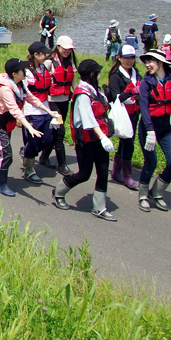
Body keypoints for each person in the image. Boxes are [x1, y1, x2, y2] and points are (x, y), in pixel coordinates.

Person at [51, 59, 118, 221]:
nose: (101, 75)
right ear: (93, 74)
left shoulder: (96, 91)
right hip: (87, 141)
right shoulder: (82, 94)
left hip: (100, 138)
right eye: (99, 72)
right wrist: (103, 137)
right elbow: (88, 120)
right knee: (84, 174)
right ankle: (58, 192)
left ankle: (99, 208)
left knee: (102, 173)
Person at [0, 58, 45, 197]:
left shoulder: (20, 85)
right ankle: (1, 185)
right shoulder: (5, 89)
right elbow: (15, 110)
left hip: (6, 122)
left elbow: (32, 99)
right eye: (23, 70)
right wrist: (30, 127)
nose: (25, 71)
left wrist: (50, 112)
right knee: (6, 153)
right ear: (15, 73)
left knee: (1, 146)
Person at [137, 49, 171, 213]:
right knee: (151, 162)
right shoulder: (146, 83)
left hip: (166, 127)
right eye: (146, 62)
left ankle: (156, 193)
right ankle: (143, 196)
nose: (147, 65)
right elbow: (144, 108)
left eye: (150, 61)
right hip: (148, 126)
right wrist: (150, 130)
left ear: (160, 63)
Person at [18, 42, 58, 183]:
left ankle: (27, 151)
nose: (46, 56)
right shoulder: (27, 72)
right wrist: (20, 115)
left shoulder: (44, 68)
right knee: (33, 140)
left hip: (44, 109)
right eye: (43, 54)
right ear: (36, 55)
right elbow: (23, 94)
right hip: (31, 111)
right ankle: (29, 169)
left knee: (48, 139)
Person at [106, 44, 142, 190]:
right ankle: (127, 175)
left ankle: (116, 171)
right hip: (123, 113)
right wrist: (131, 93)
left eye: (132, 58)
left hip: (134, 112)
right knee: (128, 143)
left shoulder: (136, 73)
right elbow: (115, 97)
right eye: (126, 58)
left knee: (128, 140)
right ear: (119, 58)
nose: (129, 61)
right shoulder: (115, 76)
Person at [39, 35, 76, 177]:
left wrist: (79, 96)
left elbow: (74, 83)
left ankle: (44, 157)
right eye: (65, 48)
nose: (67, 51)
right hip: (52, 101)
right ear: (58, 47)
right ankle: (62, 165)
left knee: (55, 131)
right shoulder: (49, 62)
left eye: (69, 49)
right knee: (60, 132)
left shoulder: (70, 63)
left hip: (65, 100)